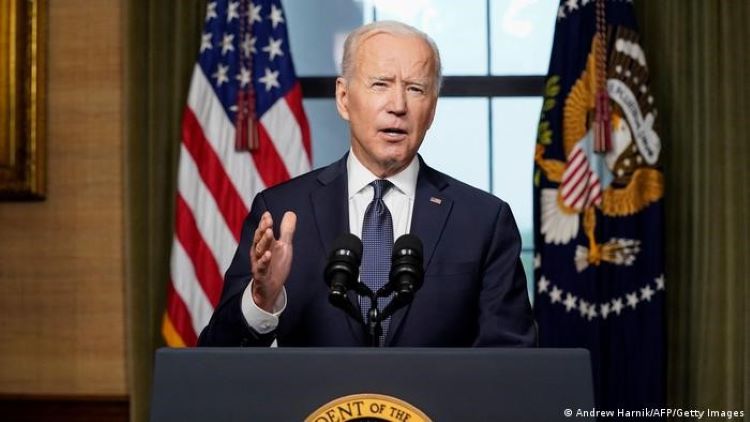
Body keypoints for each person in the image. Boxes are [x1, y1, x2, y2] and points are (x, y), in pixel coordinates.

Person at [198, 21, 536, 347]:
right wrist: (261, 299)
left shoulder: (483, 221)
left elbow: (512, 363)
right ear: (344, 98)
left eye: (416, 89)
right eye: (380, 84)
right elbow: (218, 356)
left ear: (432, 109)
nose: (398, 106)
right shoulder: (282, 212)